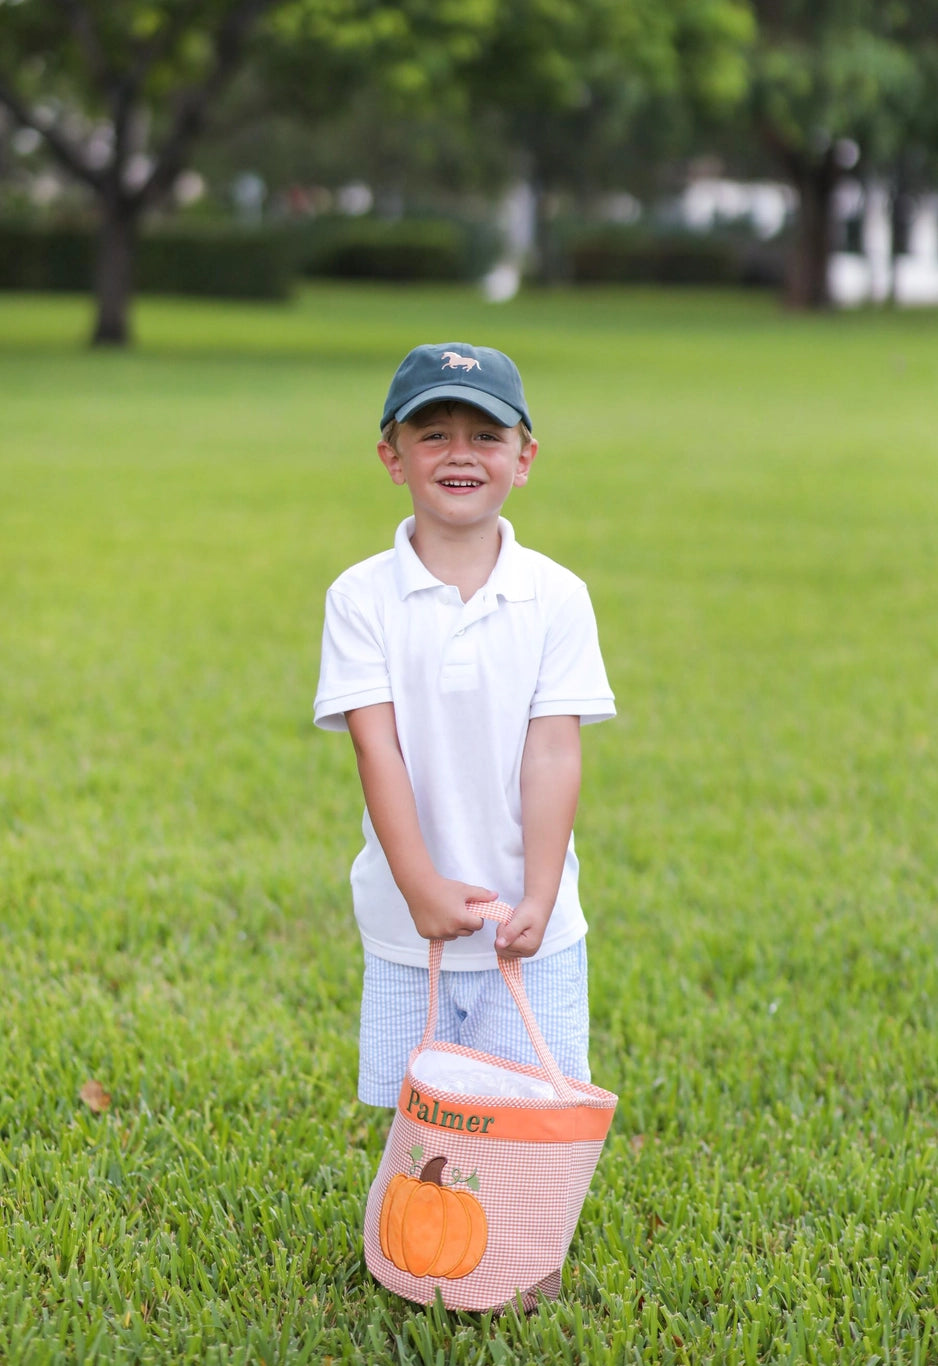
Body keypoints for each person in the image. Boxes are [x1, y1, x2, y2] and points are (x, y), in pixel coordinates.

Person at [314, 342, 615, 1107]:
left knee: (525, 1110)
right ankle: (421, 1234)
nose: (461, 454)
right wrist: (419, 885)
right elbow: (375, 747)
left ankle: (516, 1234)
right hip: (406, 925)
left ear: (524, 457)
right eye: (433, 434)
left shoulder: (557, 596)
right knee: (424, 1122)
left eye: (486, 435)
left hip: (531, 927)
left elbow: (552, 753)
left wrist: (539, 898)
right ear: (393, 456)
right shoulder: (359, 598)